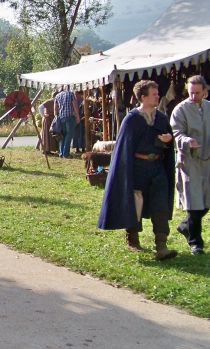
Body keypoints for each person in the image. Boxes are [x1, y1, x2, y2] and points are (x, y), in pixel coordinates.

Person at [98, 79, 177, 260]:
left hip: (157, 167)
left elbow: (167, 141)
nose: (158, 96)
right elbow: (124, 148)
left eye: (157, 93)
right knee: (135, 203)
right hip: (137, 167)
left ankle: (161, 245)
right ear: (143, 97)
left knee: (160, 204)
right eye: (154, 94)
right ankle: (133, 239)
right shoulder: (132, 119)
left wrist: (167, 141)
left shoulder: (162, 118)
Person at [170, 75, 210, 255]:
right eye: (191, 93)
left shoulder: (209, 108)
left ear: (205, 91)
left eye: (198, 93)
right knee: (194, 202)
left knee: (206, 200)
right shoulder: (180, 110)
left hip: (208, 161)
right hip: (190, 161)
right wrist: (187, 141)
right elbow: (176, 133)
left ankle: (185, 225)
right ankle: (196, 243)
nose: (194, 96)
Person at [53, 88, 80, 158]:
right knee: (69, 134)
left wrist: (56, 117)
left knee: (63, 135)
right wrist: (77, 116)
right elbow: (74, 105)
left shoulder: (57, 96)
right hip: (70, 116)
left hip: (61, 117)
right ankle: (66, 153)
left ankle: (61, 153)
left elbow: (55, 108)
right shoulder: (71, 94)